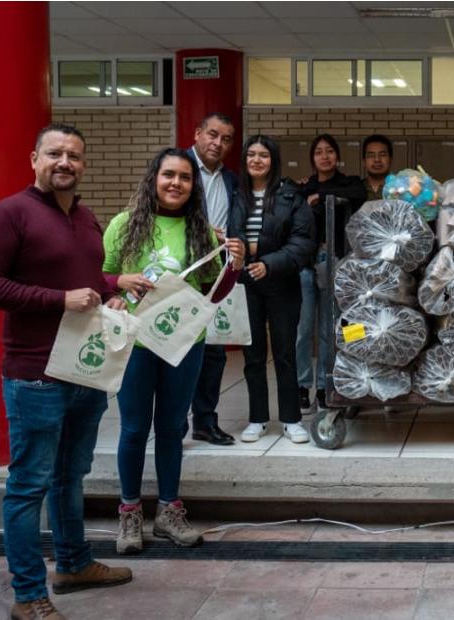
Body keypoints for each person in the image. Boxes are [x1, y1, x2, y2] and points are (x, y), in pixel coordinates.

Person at [0, 124, 132, 619]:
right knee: (29, 485)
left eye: (74, 156)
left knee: (70, 476)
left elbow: (80, 280)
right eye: (55, 153)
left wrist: (111, 285)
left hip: (84, 369)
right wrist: (59, 300)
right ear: (34, 158)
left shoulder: (84, 217)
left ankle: (74, 564)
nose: (65, 162)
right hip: (34, 374)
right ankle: (28, 595)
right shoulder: (10, 213)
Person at [102, 148, 245, 555]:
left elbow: (212, 292)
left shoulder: (204, 230)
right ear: (154, 178)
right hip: (135, 341)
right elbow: (99, 272)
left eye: (184, 177)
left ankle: (168, 510)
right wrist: (118, 284)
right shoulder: (123, 224)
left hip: (183, 343)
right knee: (133, 429)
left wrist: (233, 264)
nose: (176, 183)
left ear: (192, 186)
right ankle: (129, 512)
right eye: (168, 175)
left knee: (170, 428)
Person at [234, 135, 316, 444]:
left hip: (281, 282)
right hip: (246, 282)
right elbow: (234, 232)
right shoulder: (237, 194)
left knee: (285, 353)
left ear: (273, 161)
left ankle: (291, 419)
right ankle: (257, 419)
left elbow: (303, 242)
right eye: (251, 154)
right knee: (252, 355)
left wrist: (269, 262)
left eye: (263, 155)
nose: (256, 160)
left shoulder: (290, 196)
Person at [295, 134, 365, 413]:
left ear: (337, 156)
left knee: (328, 329)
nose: (324, 157)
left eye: (329, 151)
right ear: (312, 158)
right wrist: (310, 194)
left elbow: (358, 194)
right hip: (304, 263)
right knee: (303, 328)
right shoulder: (303, 186)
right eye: (319, 152)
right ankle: (302, 386)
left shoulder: (348, 184)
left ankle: (326, 386)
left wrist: (320, 197)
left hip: (332, 261)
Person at [186, 113, 239, 446]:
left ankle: (205, 422)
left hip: (216, 272)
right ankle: (174, 423)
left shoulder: (231, 179)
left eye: (226, 139)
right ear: (197, 133)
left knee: (215, 352)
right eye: (212, 135)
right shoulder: (176, 168)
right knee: (178, 348)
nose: (218, 143)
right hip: (181, 270)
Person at [361, 134, 393, 201]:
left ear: (390, 159)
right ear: (364, 161)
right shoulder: (355, 189)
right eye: (371, 155)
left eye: (382, 155)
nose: (377, 160)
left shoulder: (401, 188)